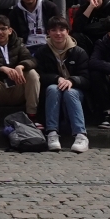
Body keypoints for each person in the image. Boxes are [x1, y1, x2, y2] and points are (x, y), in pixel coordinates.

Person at [33, 17, 90, 152]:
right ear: (48, 32)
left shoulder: (79, 52)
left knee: (70, 92)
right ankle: (52, 132)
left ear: (68, 32)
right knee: (53, 89)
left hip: (75, 92)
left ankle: (81, 135)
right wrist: (57, 78)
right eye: (54, 30)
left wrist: (72, 80)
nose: (58, 33)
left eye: (62, 30)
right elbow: (39, 75)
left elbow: (87, 78)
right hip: (52, 92)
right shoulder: (42, 52)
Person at [0, 13, 39, 120]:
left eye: (3, 29)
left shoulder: (18, 42)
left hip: (18, 87)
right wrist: (2, 68)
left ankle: (32, 115)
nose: (0, 32)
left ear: (10, 30)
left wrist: (21, 66)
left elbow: (32, 60)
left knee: (32, 73)